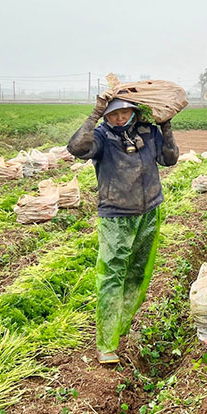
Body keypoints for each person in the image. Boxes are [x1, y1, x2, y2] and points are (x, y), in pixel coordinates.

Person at [67, 96, 179, 364]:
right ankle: (106, 344)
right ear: (106, 115)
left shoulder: (147, 132)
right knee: (112, 275)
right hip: (116, 216)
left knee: (139, 273)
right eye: (113, 113)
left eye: (124, 112)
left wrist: (165, 125)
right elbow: (76, 148)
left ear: (133, 111)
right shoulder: (102, 136)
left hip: (149, 211)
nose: (119, 118)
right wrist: (94, 115)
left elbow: (170, 158)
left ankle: (120, 328)